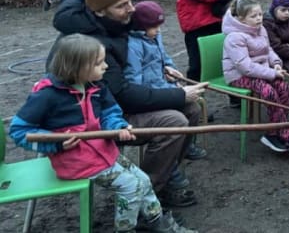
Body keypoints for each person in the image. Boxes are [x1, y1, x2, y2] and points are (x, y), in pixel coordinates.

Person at [50, 0, 207, 208]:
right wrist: (177, 94)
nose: (131, 9)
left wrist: (161, 66)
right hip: (96, 118)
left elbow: (137, 62)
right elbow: (123, 94)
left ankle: (165, 175)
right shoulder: (93, 43)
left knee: (192, 109)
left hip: (115, 100)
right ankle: (145, 198)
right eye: (122, 5)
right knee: (175, 121)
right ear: (100, 12)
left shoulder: (111, 21)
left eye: (129, 0)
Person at [13, 34, 196, 233]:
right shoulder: (47, 96)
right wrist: (56, 144)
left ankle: (157, 222)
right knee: (131, 186)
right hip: (77, 161)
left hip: (105, 153)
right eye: (99, 63)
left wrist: (117, 127)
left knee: (142, 180)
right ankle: (125, 229)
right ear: (78, 68)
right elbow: (19, 130)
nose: (106, 67)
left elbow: (110, 112)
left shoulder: (95, 86)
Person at [126, 0, 207, 162]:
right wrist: (170, 92)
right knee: (178, 117)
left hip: (163, 86)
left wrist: (169, 68)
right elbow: (135, 83)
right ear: (141, 27)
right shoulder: (132, 47)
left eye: (159, 26)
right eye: (154, 27)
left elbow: (163, 57)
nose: (158, 30)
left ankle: (181, 149)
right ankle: (165, 166)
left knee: (194, 108)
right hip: (151, 95)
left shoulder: (155, 36)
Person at [222, 0, 289, 154]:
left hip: (262, 72)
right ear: (241, 19)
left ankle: (273, 132)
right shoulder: (234, 37)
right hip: (239, 76)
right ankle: (285, 132)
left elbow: (268, 50)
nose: (259, 18)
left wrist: (276, 63)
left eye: (260, 14)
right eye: (253, 16)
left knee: (285, 88)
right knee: (269, 92)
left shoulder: (261, 29)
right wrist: (272, 73)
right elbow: (245, 68)